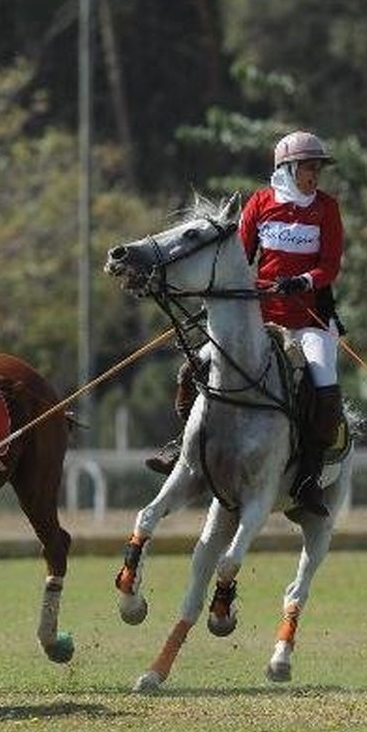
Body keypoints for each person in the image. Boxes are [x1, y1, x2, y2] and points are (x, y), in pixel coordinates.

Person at [147, 130, 345, 517]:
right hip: (258, 318)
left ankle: (308, 476)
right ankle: (182, 450)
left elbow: (330, 265)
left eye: (318, 167)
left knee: (325, 386)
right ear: (286, 168)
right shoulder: (260, 203)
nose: (315, 174)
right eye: (308, 166)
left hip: (309, 321)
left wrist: (302, 281)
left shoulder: (327, 209)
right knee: (193, 369)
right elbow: (239, 258)